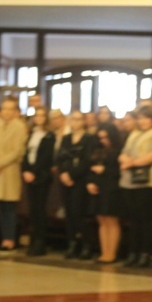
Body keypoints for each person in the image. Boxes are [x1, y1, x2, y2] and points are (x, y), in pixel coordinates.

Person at [119, 105, 152, 268]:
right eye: (140, 118)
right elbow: (123, 152)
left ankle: (146, 253)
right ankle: (134, 252)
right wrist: (125, 159)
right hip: (130, 182)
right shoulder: (134, 134)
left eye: (146, 118)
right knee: (133, 219)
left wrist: (132, 162)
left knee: (146, 219)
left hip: (149, 183)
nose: (142, 121)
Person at [0, 97, 28, 251]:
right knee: (0, 207)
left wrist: (0, 164)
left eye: (10, 109)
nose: (6, 112)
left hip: (9, 171)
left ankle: (10, 239)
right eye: (4, 108)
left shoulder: (19, 126)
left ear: (15, 111)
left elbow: (17, 151)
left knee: (10, 208)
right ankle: (3, 237)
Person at [57, 111, 95, 259]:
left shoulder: (89, 139)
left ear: (83, 121)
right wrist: (63, 173)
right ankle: (72, 243)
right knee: (69, 213)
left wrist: (72, 175)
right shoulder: (66, 139)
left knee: (79, 212)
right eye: (73, 119)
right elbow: (60, 158)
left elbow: (87, 161)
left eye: (78, 120)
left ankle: (86, 244)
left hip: (80, 180)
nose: (75, 122)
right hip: (65, 179)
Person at [87, 122, 123, 263]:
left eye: (106, 138)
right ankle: (104, 252)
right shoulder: (97, 150)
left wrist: (105, 170)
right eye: (101, 138)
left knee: (111, 220)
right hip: (98, 186)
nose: (103, 141)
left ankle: (112, 253)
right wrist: (90, 182)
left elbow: (119, 171)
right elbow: (90, 168)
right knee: (101, 219)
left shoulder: (119, 150)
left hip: (112, 187)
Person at [22, 107, 55, 256]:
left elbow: (46, 157)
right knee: (33, 210)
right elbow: (26, 154)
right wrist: (26, 170)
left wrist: (34, 172)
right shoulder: (30, 134)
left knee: (40, 209)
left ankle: (41, 241)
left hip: (42, 176)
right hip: (29, 175)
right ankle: (33, 238)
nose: (39, 118)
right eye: (37, 115)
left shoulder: (49, 136)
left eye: (42, 115)